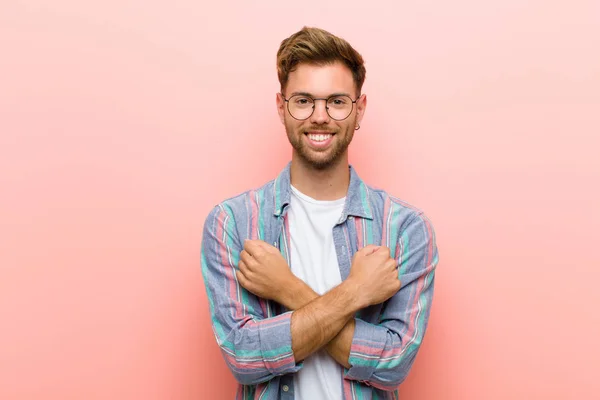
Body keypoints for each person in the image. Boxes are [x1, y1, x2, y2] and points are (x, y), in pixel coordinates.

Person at [201, 26, 439, 400]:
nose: (320, 117)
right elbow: (243, 357)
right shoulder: (232, 222)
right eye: (303, 101)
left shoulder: (406, 229)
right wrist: (357, 291)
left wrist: (286, 289)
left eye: (337, 102)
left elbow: (394, 363)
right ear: (282, 108)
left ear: (359, 110)